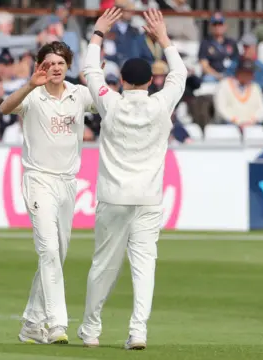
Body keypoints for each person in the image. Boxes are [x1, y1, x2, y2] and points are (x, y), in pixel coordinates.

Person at [78, 8, 186, 350]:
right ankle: (138, 332)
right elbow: (179, 74)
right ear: (151, 81)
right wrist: (163, 37)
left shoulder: (111, 103)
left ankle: (91, 331)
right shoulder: (161, 104)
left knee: (103, 266)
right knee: (144, 267)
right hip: (149, 199)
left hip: (114, 197)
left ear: (122, 81)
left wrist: (98, 32)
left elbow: (90, 70)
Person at [0, 41, 97, 345]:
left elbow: (107, 102)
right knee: (49, 251)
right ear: (40, 65)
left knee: (57, 254)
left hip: (68, 183)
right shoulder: (32, 95)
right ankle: (56, 324)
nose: (55, 68)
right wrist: (29, 84)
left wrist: (99, 76)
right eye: (49, 63)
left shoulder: (78, 94)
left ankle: (31, 322)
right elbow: (3, 108)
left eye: (60, 63)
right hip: (39, 179)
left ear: (67, 66)